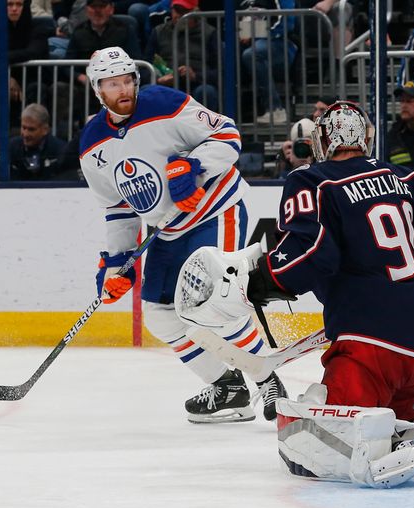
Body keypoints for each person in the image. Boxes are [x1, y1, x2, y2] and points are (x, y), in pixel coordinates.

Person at [174, 101, 414, 488]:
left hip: (369, 347)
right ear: (365, 137)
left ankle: (381, 445)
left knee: (304, 440)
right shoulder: (402, 177)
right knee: (396, 407)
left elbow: (311, 251)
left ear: (321, 141)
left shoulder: (313, 180)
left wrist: (261, 282)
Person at [78, 46, 287, 424]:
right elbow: (119, 209)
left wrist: (193, 166)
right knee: (159, 315)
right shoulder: (93, 146)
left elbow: (227, 135)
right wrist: (117, 263)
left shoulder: (164, 103)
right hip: (168, 230)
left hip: (214, 210)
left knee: (214, 302)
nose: (123, 89)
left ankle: (268, 379)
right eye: (112, 84)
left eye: (127, 80)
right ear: (98, 90)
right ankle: (228, 387)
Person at [145, 0, 219, 111]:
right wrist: (158, 79)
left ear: (195, 12)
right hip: (166, 84)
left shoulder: (209, 33)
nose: (179, 16)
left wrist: (195, 76)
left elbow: (221, 71)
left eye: (184, 11)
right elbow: (145, 66)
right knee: (147, 90)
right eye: (176, 10)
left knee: (206, 91)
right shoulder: (158, 32)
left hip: (197, 84)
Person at [240, 0, 297, 125]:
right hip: (251, 42)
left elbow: (286, 22)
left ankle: (275, 109)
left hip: (280, 44)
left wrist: (256, 36)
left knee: (252, 54)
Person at [5, 104, 67, 180]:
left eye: (31, 129)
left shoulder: (60, 151)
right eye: (23, 128)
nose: (25, 134)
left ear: (45, 130)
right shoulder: (10, 148)